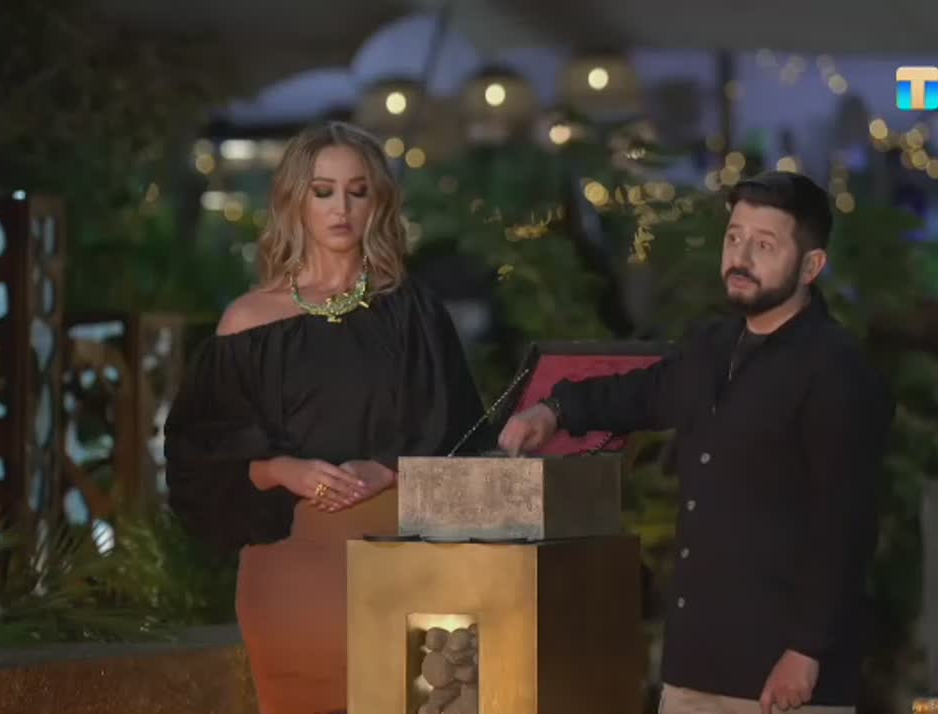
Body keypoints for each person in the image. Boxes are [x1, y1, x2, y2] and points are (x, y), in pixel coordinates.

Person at [499, 171, 894, 714]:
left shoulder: (836, 370)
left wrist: (806, 651)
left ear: (811, 266)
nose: (740, 257)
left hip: (782, 677)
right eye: (734, 237)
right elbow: (643, 392)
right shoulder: (712, 346)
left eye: (764, 245)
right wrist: (555, 410)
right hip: (694, 667)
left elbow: (845, 526)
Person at [164, 121, 487, 714]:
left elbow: (467, 439)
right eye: (323, 191)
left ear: (377, 202)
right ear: (295, 200)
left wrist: (386, 470)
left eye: (357, 191)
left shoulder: (413, 313)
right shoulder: (247, 324)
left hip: (414, 569)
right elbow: (195, 459)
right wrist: (280, 469)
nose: (341, 208)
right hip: (295, 576)